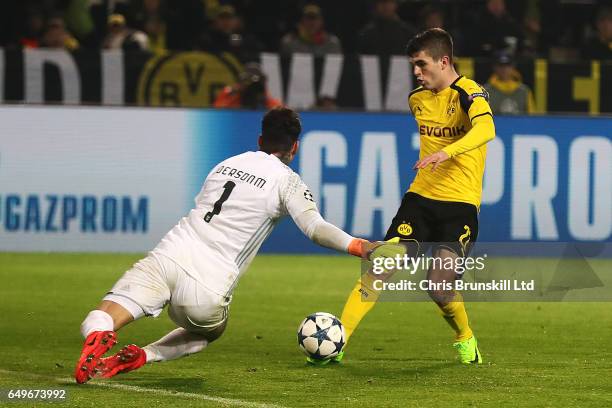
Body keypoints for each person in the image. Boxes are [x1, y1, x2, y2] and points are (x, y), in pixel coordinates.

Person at [74, 107, 404, 383]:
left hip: (169, 253)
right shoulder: (287, 181)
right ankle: (145, 355)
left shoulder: (226, 164)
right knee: (205, 334)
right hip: (208, 282)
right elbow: (315, 228)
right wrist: (362, 247)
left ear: (260, 140)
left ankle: (97, 336)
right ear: (295, 148)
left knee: (106, 312)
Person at [339, 28, 496, 364]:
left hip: (460, 206)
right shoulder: (417, 100)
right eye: (413, 65)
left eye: (422, 65)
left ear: (444, 61)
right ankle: (336, 342)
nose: (416, 72)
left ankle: (465, 336)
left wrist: (448, 152)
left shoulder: (469, 92)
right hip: (420, 199)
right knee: (382, 265)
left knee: (438, 287)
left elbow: (487, 130)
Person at [213, 63, 282, 110]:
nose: (252, 85)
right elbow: (217, 111)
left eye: (257, 80)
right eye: (248, 80)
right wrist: (234, 92)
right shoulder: (230, 94)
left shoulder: (272, 104)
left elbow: (279, 112)